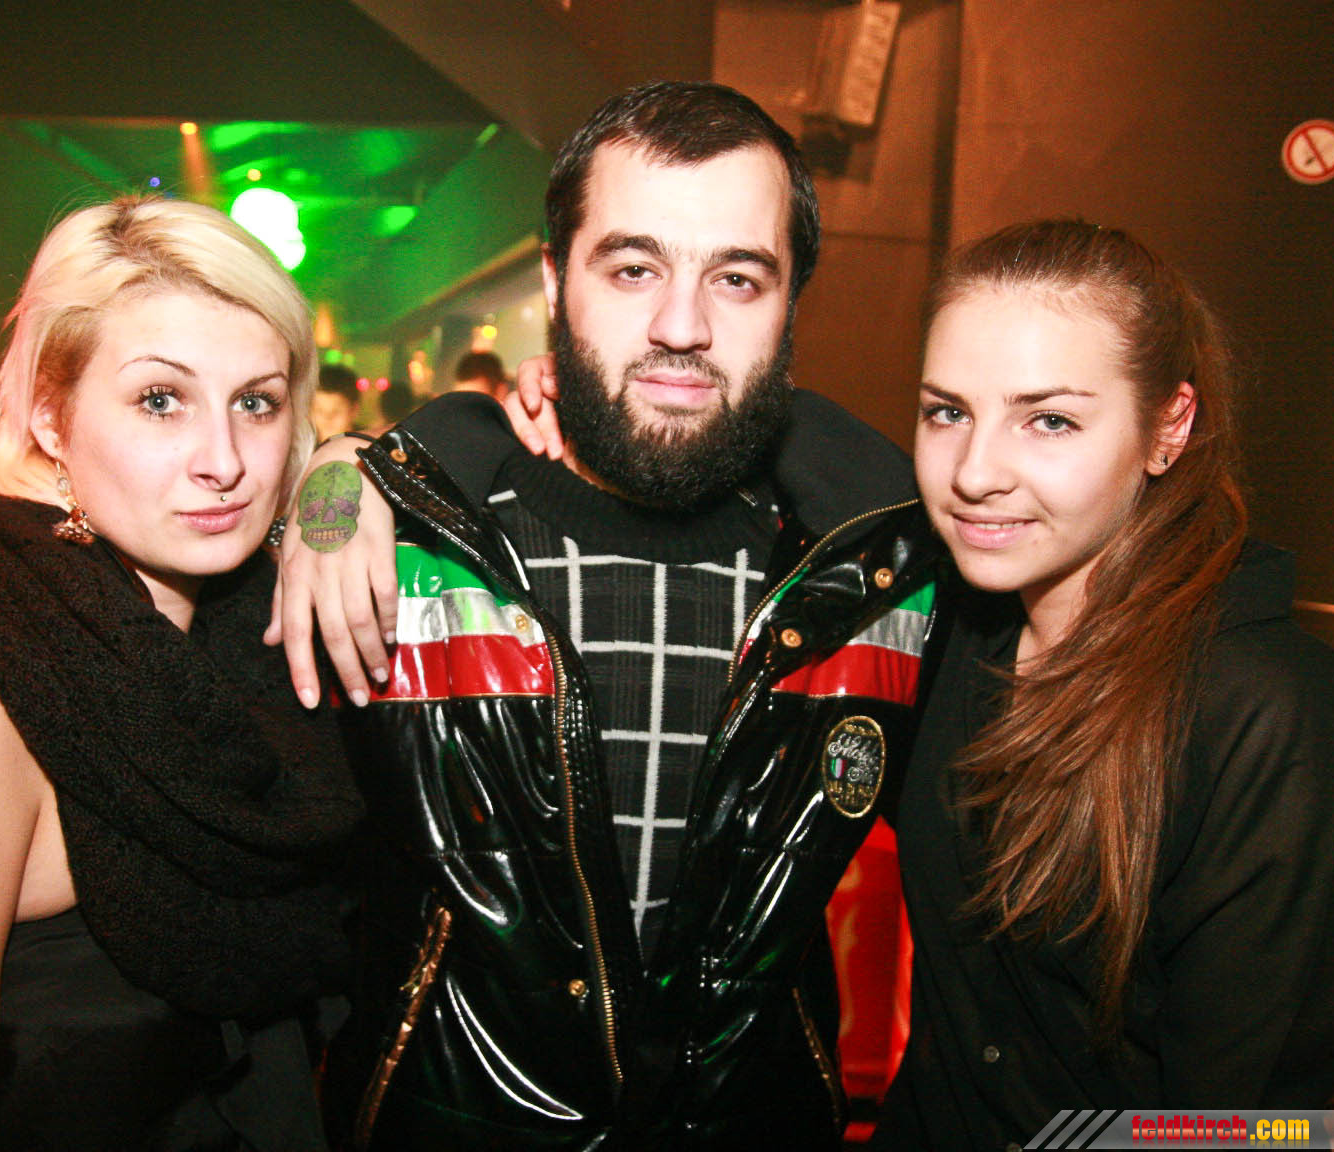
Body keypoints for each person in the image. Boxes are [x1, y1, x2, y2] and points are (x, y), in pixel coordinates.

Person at [274, 81, 941, 1150]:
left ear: (792, 302)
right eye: (634, 269)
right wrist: (339, 470)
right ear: (555, 281)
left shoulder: (867, 584)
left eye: (737, 278)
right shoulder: (413, 550)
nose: (682, 327)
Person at [0, 195, 363, 1151]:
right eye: (160, 400)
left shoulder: (249, 645)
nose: (223, 460)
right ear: (51, 417)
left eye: (256, 402)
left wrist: (350, 472)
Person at [873, 219, 1334, 1147]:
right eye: (947, 412)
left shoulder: (1263, 711)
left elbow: (1237, 1122)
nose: (974, 472)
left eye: (1049, 420)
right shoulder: (947, 627)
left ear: (1170, 428)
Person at [312, 363, 363, 443]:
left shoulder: (368, 446)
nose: (327, 418)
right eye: (320, 410)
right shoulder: (302, 447)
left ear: (354, 410)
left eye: (336, 411)